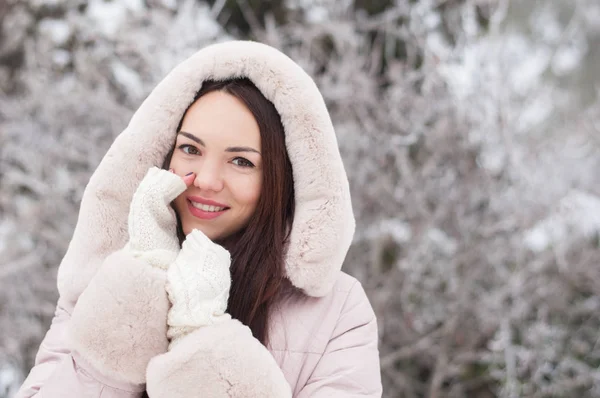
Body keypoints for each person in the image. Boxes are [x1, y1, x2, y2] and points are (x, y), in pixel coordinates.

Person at [16, 41, 382, 397]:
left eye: (241, 161)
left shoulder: (338, 311)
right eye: (190, 149)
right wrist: (139, 284)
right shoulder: (102, 280)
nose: (206, 180)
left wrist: (201, 335)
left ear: (281, 179)